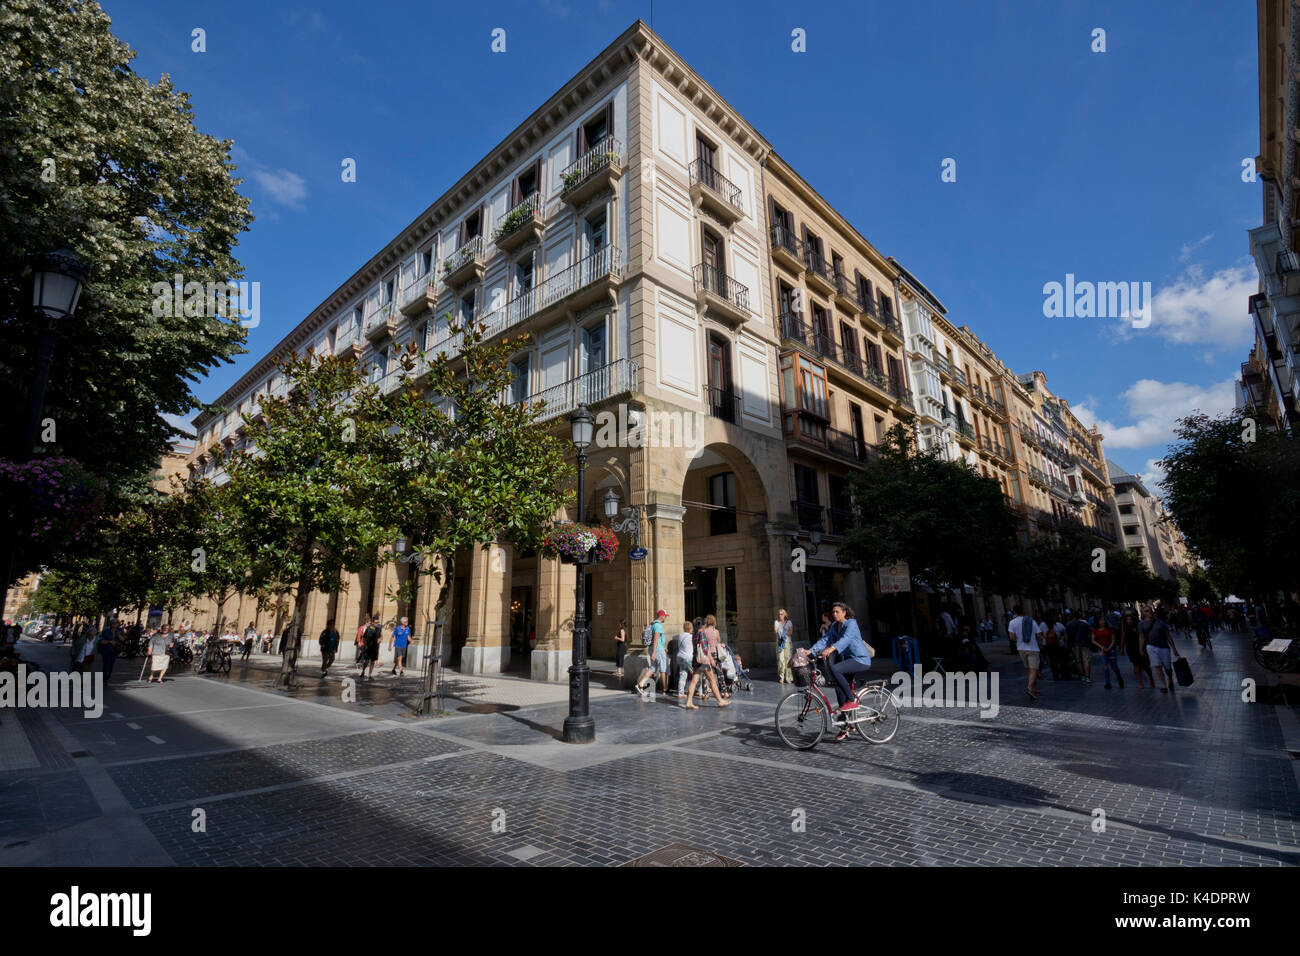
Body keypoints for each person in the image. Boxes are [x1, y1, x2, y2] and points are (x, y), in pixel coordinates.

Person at [808, 602, 874, 742]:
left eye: (837, 611)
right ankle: (847, 725)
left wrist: (831, 649)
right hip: (849, 660)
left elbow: (846, 639)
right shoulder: (834, 626)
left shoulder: (851, 624)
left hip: (860, 659)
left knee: (835, 668)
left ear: (844, 612)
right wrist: (811, 650)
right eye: (833, 612)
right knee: (839, 688)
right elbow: (825, 639)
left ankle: (851, 701)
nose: (835, 614)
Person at [684, 614, 729, 709]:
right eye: (704, 625)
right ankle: (720, 701)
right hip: (704, 662)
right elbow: (705, 649)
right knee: (712, 680)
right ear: (703, 625)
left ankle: (689, 702)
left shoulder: (694, 635)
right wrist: (711, 660)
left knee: (693, 681)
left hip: (696, 661)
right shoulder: (702, 634)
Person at [1142, 606, 1181, 693]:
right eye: (1146, 611)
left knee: (1167, 667)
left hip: (1164, 647)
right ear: (1143, 613)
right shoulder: (1142, 624)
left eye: (1150, 610)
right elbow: (1141, 638)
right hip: (1151, 647)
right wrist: (1141, 649)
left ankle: (1170, 679)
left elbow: (1168, 636)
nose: (1149, 612)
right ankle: (1163, 685)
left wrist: (1174, 649)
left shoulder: (1160, 622)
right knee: (1157, 666)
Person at [633, 610, 670, 700]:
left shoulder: (654, 624)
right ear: (661, 616)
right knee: (663, 669)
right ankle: (665, 688)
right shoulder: (658, 626)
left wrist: (662, 647)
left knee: (653, 668)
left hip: (655, 649)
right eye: (665, 616)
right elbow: (656, 639)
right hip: (657, 650)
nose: (666, 617)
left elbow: (658, 640)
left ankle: (640, 684)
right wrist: (654, 652)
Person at [1009, 605, 1042, 700]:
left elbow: (1011, 637)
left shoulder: (1012, 622)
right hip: (1033, 648)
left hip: (1021, 649)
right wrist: (1040, 643)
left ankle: (1035, 689)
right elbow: (1039, 634)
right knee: (1034, 669)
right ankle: (1030, 688)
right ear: (1023, 610)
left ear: (1014, 612)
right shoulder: (1031, 620)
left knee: (1030, 670)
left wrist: (1019, 640)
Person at [1119, 610, 1153, 689]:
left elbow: (1143, 636)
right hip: (1131, 648)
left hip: (1140, 647)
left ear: (1133, 619)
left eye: (1130, 619)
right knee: (1136, 665)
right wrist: (1121, 648)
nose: (1129, 621)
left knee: (1146, 666)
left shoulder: (1138, 626)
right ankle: (1140, 682)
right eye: (1127, 620)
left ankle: (1151, 678)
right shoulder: (1124, 627)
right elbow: (1122, 637)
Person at [1090, 614, 1123, 689]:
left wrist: (1109, 648)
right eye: (1101, 620)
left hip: (1111, 648)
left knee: (1114, 666)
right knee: (1105, 665)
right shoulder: (1095, 629)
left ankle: (1119, 677)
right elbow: (1093, 640)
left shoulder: (1110, 629)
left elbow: (1113, 640)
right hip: (1101, 648)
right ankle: (1107, 682)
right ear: (1098, 622)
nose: (1103, 622)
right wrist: (1101, 647)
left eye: (1104, 620)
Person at [673, 620, 695, 700]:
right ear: (690, 629)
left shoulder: (680, 636)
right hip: (688, 658)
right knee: (696, 674)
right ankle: (700, 691)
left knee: (683, 675)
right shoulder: (691, 636)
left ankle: (680, 693)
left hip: (679, 657)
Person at [775, 608, 794, 684]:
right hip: (779, 643)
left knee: (788, 660)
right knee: (781, 660)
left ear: (785, 615)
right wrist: (785, 632)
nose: (780, 615)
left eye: (782, 614)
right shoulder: (776, 622)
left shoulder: (789, 622)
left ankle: (788, 677)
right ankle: (781, 676)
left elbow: (791, 632)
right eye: (779, 614)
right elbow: (776, 631)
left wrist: (782, 633)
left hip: (787, 643)